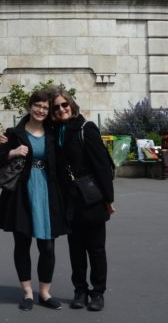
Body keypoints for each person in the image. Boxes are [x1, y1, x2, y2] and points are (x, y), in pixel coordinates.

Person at [0, 91, 68, 311]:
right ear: (30, 106)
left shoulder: (54, 132)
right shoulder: (14, 133)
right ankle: (27, 293)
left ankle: (44, 292)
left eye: (45, 107)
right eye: (37, 106)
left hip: (48, 193)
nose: (41, 110)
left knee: (48, 247)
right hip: (21, 193)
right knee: (22, 244)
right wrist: (11, 151)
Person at [51, 88, 115, 312]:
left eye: (64, 105)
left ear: (72, 105)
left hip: (91, 198)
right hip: (69, 201)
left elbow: (102, 166)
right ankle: (80, 290)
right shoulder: (56, 131)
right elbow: (31, 119)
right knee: (75, 250)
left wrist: (108, 198)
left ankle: (97, 292)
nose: (61, 109)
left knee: (96, 249)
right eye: (56, 107)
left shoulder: (86, 129)